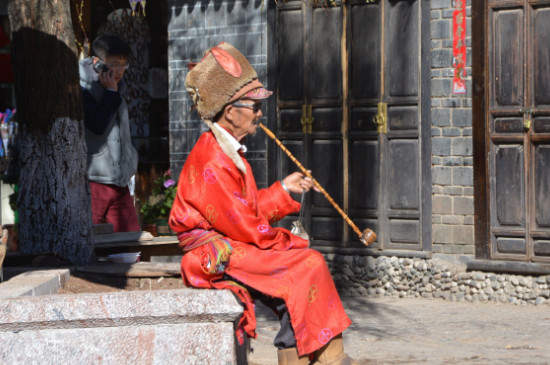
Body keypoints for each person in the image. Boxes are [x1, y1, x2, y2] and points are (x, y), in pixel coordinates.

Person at [169, 42, 358, 365]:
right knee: (306, 262)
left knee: (305, 263)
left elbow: (244, 210)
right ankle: (316, 358)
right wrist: (287, 240)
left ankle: (324, 357)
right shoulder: (213, 158)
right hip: (216, 253)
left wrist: (284, 189)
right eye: (253, 105)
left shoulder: (225, 149)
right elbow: (242, 223)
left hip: (232, 241)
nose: (259, 113)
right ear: (230, 111)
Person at [79, 34, 140, 232]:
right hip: (93, 179)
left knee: (131, 243)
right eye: (115, 64)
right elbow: (97, 126)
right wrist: (111, 94)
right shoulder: (83, 88)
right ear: (97, 63)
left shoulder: (117, 87)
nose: (120, 70)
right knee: (89, 240)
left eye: (124, 65)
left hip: (119, 178)